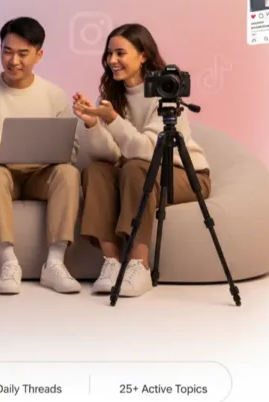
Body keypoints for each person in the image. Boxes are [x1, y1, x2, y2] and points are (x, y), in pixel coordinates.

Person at [72, 23, 211, 298]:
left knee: (136, 168)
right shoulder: (112, 96)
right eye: (109, 54)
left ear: (143, 55)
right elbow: (110, 156)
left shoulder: (165, 93)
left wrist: (113, 120)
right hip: (136, 172)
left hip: (183, 174)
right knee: (96, 171)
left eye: (120, 53)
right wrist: (93, 124)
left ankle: (139, 264)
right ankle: (112, 262)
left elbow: (149, 150)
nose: (112, 60)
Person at [0, 17, 82, 295]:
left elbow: (71, 150)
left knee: (68, 173)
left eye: (23, 53)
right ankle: (8, 263)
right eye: (7, 51)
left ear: (39, 55)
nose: (13, 61)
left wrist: (48, 154)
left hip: (39, 176)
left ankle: (55, 263)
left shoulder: (54, 95)